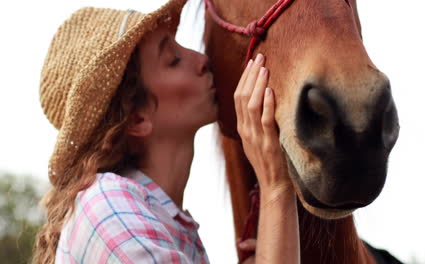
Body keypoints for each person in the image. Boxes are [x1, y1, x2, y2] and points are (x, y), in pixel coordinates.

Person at [33, 0, 299, 263]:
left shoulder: (164, 221)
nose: (202, 59)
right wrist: (275, 185)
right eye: (173, 59)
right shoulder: (108, 207)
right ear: (136, 118)